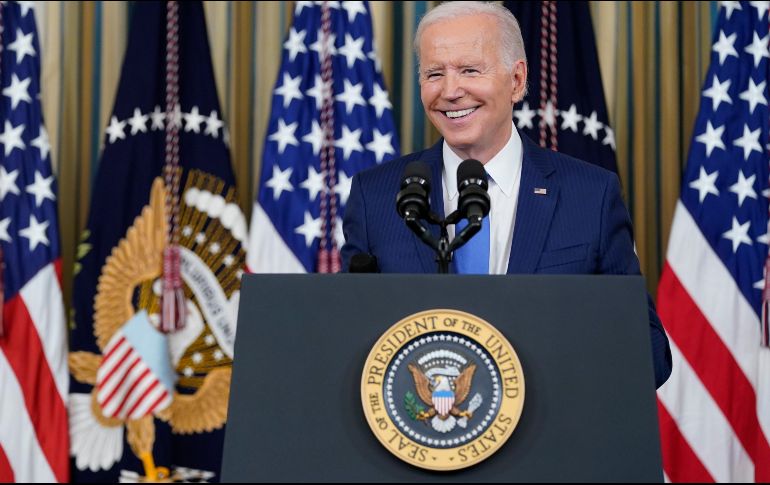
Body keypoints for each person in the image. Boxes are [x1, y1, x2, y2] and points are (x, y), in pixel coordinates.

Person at [341, 1, 672, 388]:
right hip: (421, 432)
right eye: (434, 73)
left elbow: (648, 355)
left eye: (469, 70)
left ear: (516, 81)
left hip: (550, 436)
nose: (450, 91)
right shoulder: (377, 195)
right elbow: (347, 343)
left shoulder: (590, 195)